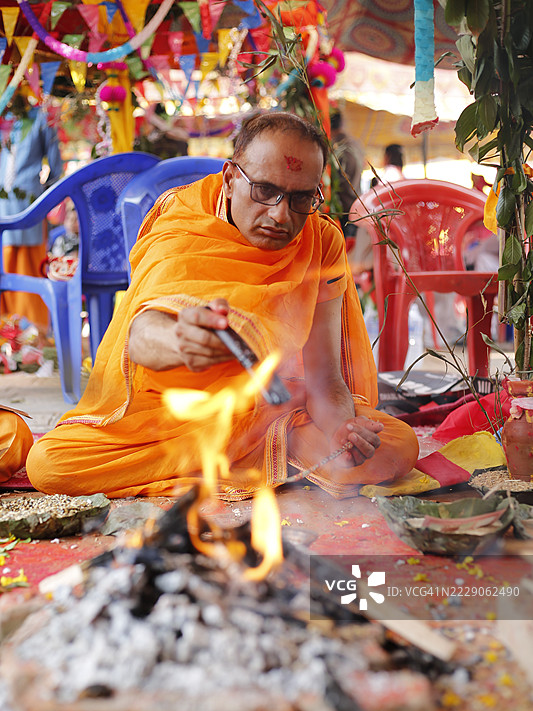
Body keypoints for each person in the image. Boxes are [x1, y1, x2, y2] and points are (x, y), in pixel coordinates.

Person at [27, 112, 419, 499]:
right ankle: (257, 458)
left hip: (271, 414)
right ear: (231, 180)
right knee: (52, 462)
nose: (281, 215)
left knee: (397, 446)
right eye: (265, 191)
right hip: (171, 419)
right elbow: (143, 335)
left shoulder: (322, 239)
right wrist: (182, 340)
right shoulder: (183, 219)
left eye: (302, 198)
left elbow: (325, 378)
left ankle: (265, 452)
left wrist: (340, 431)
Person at [0, 94, 63, 332]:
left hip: (30, 206)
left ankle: (33, 333)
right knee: (4, 265)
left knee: (29, 265)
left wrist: (41, 198)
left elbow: (56, 169)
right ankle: (7, 334)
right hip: (2, 205)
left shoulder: (41, 118)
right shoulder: (3, 118)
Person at [329, 108, 364, 235]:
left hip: (344, 211)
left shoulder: (337, 148)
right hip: (356, 208)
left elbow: (339, 182)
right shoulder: (355, 144)